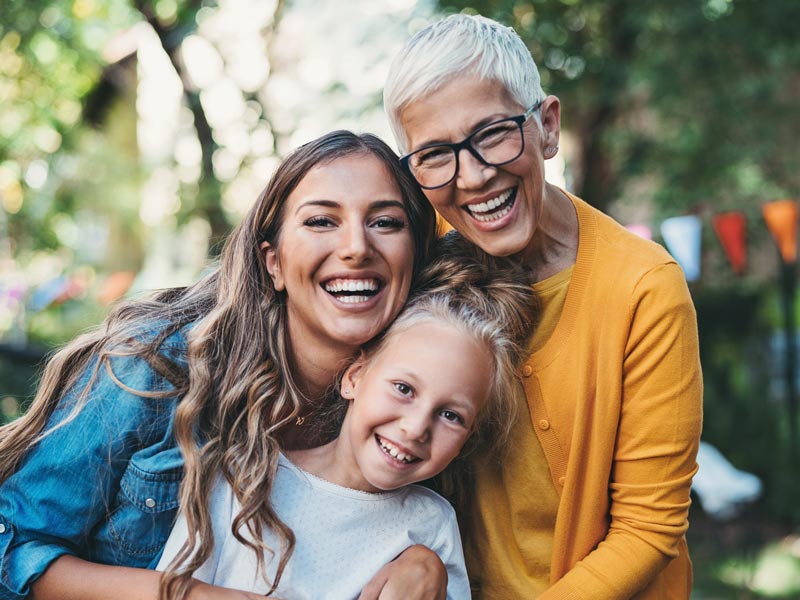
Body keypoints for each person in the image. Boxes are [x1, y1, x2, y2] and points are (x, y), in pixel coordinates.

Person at [0, 130, 441, 600]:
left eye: (386, 222)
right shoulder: (156, 368)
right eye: (320, 221)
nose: (356, 246)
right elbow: (13, 546)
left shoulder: (424, 402)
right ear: (273, 262)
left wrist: (425, 559)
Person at [384, 14, 703, 599]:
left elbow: (648, 528)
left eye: (492, 134)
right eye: (435, 154)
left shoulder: (643, 288)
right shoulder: (412, 258)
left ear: (547, 127)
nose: (474, 177)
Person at [156, 248, 537, 599]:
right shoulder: (244, 475)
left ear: (467, 439)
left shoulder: (431, 525)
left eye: (451, 415)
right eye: (404, 388)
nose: (416, 428)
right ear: (354, 376)